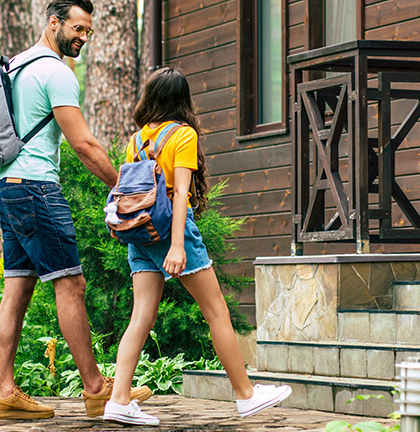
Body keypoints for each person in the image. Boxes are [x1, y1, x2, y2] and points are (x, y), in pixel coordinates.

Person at [0, 0, 151, 420]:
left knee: (17, 287)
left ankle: (3, 391)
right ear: (54, 23)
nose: (83, 37)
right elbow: (83, 144)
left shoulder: (10, 68)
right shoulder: (56, 73)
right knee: (71, 285)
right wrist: (128, 188)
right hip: (35, 189)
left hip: (6, 188)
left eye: (88, 30)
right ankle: (95, 390)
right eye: (77, 28)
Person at [102, 68, 292, 426]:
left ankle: (119, 399)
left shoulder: (136, 138)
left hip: (139, 232)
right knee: (216, 311)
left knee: (141, 316)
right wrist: (178, 246)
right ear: (183, 100)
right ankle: (246, 395)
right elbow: (179, 198)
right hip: (171, 232)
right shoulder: (183, 135)